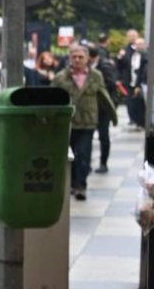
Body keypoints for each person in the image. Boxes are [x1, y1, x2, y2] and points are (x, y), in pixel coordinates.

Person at [53, 42, 117, 201]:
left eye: (80, 57)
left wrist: (112, 116)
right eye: (74, 57)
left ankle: (81, 186)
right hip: (67, 123)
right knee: (70, 156)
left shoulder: (96, 76)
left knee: (83, 154)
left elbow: (103, 95)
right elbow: (51, 97)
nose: (77, 60)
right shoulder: (61, 77)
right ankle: (72, 183)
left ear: (88, 58)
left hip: (88, 121)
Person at [92, 42, 120, 173]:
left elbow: (112, 85)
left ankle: (103, 163)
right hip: (89, 109)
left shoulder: (104, 67)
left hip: (102, 108)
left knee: (103, 136)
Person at [117, 32, 146, 128]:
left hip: (141, 81)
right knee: (130, 101)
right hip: (129, 80)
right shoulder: (126, 51)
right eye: (130, 36)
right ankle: (133, 119)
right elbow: (121, 66)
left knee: (140, 101)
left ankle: (141, 120)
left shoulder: (146, 54)